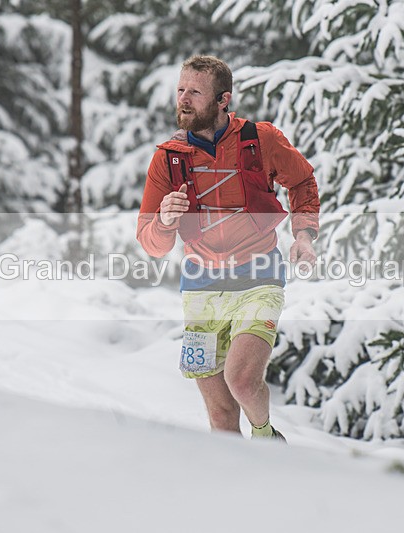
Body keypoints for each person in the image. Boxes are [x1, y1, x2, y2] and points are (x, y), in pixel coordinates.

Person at [136, 55, 319, 442]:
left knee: (242, 380)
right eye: (181, 90)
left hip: (258, 276)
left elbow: (302, 181)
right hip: (201, 286)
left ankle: (266, 436)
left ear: (223, 100)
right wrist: (164, 222)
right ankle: (238, 493)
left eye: (195, 93)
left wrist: (304, 235)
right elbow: (150, 243)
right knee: (220, 417)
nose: (184, 100)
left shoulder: (260, 140)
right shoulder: (167, 158)